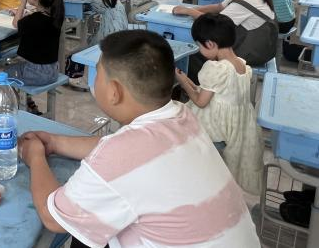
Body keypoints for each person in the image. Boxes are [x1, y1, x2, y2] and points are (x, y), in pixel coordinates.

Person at [18, 30, 260, 248]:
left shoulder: (120, 156)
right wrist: (55, 142)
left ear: (114, 92)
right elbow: (122, 151)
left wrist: (35, 156)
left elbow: (53, 219)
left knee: (82, 232)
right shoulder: (181, 114)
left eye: (98, 74)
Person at [175, 14, 263, 195]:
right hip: (236, 127)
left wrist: (183, 82)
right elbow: (210, 91)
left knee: (177, 118)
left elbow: (200, 102)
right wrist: (189, 82)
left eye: (199, 45)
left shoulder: (216, 68)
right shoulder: (242, 65)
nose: (199, 50)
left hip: (217, 129)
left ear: (210, 44)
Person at [173, 0, 277, 74]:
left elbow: (216, 25)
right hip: (258, 46)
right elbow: (219, 7)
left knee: (194, 54)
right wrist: (192, 9)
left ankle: (203, 84)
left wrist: (189, 12)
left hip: (253, 52)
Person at [6, 0, 64, 113]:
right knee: (17, 65)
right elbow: (37, 19)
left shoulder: (31, 21)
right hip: (52, 71)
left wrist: (23, 1)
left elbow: (15, 23)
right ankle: (29, 102)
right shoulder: (56, 16)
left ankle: (20, 107)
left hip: (36, 74)